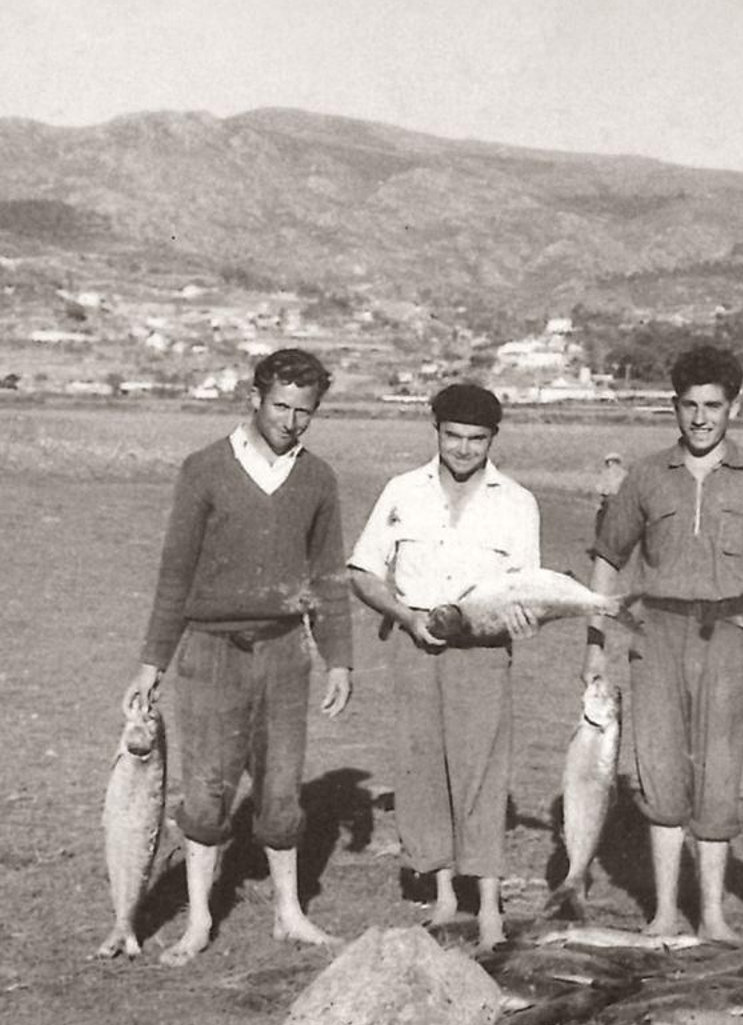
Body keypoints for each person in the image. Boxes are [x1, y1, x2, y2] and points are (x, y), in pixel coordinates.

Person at [123, 348, 353, 966]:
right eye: (280, 406)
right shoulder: (204, 469)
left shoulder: (318, 479)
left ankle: (289, 913)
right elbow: (175, 573)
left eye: (304, 412)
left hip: (285, 654)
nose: (291, 422)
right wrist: (152, 662)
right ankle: (199, 919)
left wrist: (338, 658)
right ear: (254, 398)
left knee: (281, 791)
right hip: (210, 653)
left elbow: (328, 576)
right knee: (206, 788)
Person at [580, 344, 743, 941]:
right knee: (659, 769)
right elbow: (607, 559)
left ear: (735, 407)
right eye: (689, 406)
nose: (701, 418)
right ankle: (662, 912)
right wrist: (595, 647)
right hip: (654, 633)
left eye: (713, 406)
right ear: (674, 407)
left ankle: (712, 915)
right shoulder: (647, 476)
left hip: (730, 634)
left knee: (720, 773)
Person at [347, 383, 540, 951]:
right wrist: (405, 617)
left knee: (481, 771)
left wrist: (515, 618)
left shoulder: (517, 502)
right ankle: (445, 895)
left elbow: (526, 590)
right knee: (422, 765)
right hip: (415, 643)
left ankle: (489, 906)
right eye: (453, 436)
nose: (463, 449)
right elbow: (362, 571)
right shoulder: (402, 491)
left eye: (476, 439)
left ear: (493, 439)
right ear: (436, 431)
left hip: (482, 650)